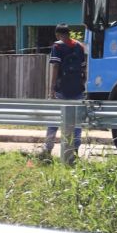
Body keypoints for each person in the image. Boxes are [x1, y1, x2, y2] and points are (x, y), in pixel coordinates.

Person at [41, 24, 86, 160]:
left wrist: (52, 89)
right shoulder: (79, 46)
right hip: (77, 89)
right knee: (77, 122)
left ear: (57, 34)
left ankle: (48, 150)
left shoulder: (57, 46)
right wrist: (82, 85)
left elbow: (55, 67)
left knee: (54, 119)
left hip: (62, 90)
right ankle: (75, 151)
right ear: (69, 33)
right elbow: (84, 69)